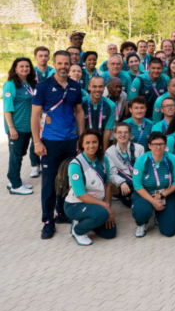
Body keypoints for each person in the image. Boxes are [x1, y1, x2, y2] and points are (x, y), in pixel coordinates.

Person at [31, 50, 84, 240]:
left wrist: (81, 137)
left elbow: (79, 113)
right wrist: (37, 142)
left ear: (70, 64)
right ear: (54, 64)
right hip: (50, 142)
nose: (63, 67)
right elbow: (35, 115)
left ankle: (62, 213)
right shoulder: (44, 86)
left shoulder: (75, 86)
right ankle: (47, 220)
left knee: (68, 179)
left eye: (66, 63)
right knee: (49, 183)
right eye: (60, 63)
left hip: (71, 141)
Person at [63, 129, 116, 246]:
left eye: (94, 142)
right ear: (82, 144)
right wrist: (106, 207)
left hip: (97, 204)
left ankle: (89, 220)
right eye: (87, 143)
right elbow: (81, 194)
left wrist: (107, 206)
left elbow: (108, 185)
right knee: (102, 215)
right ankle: (77, 230)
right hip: (76, 204)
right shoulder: (75, 164)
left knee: (110, 233)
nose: (91, 145)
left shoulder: (104, 159)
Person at [131, 132, 175, 237]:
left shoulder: (172, 159)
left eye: (161, 144)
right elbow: (137, 185)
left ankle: (160, 216)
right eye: (154, 144)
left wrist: (162, 195)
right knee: (142, 211)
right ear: (149, 146)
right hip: (145, 193)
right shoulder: (141, 160)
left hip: (165, 193)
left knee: (169, 231)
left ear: (166, 145)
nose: (158, 147)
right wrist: (153, 201)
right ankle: (141, 224)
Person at [4, 57, 39, 194]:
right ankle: (15, 186)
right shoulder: (10, 84)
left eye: (27, 66)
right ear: (15, 68)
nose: (25, 69)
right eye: (21, 66)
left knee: (21, 153)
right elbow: (7, 109)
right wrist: (11, 128)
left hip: (28, 126)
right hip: (16, 127)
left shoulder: (30, 83)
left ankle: (14, 180)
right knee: (16, 156)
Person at [106, 122, 145, 208]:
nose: (122, 135)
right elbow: (112, 173)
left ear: (130, 134)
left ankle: (132, 196)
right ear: (115, 135)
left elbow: (142, 169)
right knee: (110, 183)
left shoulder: (139, 148)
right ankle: (123, 196)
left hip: (137, 181)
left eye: (125, 132)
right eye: (119, 132)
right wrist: (122, 182)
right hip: (123, 182)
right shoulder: (109, 152)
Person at [82, 76, 115, 150]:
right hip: (84, 143)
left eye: (100, 87)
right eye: (94, 87)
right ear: (89, 87)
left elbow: (107, 130)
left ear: (104, 88)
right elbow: (79, 128)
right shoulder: (81, 103)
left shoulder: (111, 105)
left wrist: (104, 151)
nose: (98, 90)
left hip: (100, 142)